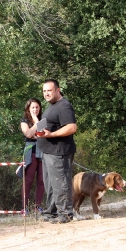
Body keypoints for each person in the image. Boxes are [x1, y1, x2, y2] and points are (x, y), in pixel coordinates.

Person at [37, 79, 77, 224]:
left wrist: (52, 135)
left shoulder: (64, 106)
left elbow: (71, 127)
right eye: (44, 91)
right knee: (51, 184)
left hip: (59, 152)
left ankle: (65, 213)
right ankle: (52, 212)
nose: (46, 94)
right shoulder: (51, 106)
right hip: (48, 151)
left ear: (58, 90)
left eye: (49, 90)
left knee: (61, 183)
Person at [20, 98, 45, 214]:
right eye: (33, 107)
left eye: (37, 107)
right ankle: (24, 208)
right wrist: (36, 123)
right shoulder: (24, 120)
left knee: (41, 180)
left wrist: (38, 131)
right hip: (31, 151)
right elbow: (28, 133)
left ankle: (37, 206)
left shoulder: (44, 119)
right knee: (28, 180)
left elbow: (44, 134)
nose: (35, 109)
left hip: (43, 150)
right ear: (28, 109)